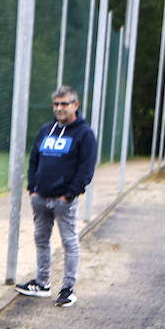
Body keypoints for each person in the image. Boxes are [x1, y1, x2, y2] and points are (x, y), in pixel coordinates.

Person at [15, 85, 98, 308]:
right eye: (56, 104)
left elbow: (86, 168)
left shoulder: (85, 133)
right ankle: (42, 284)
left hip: (64, 201)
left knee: (69, 242)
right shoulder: (46, 130)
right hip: (40, 197)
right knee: (41, 240)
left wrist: (69, 195)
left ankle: (67, 289)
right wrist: (33, 189)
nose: (59, 108)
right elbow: (34, 159)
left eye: (64, 104)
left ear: (75, 105)